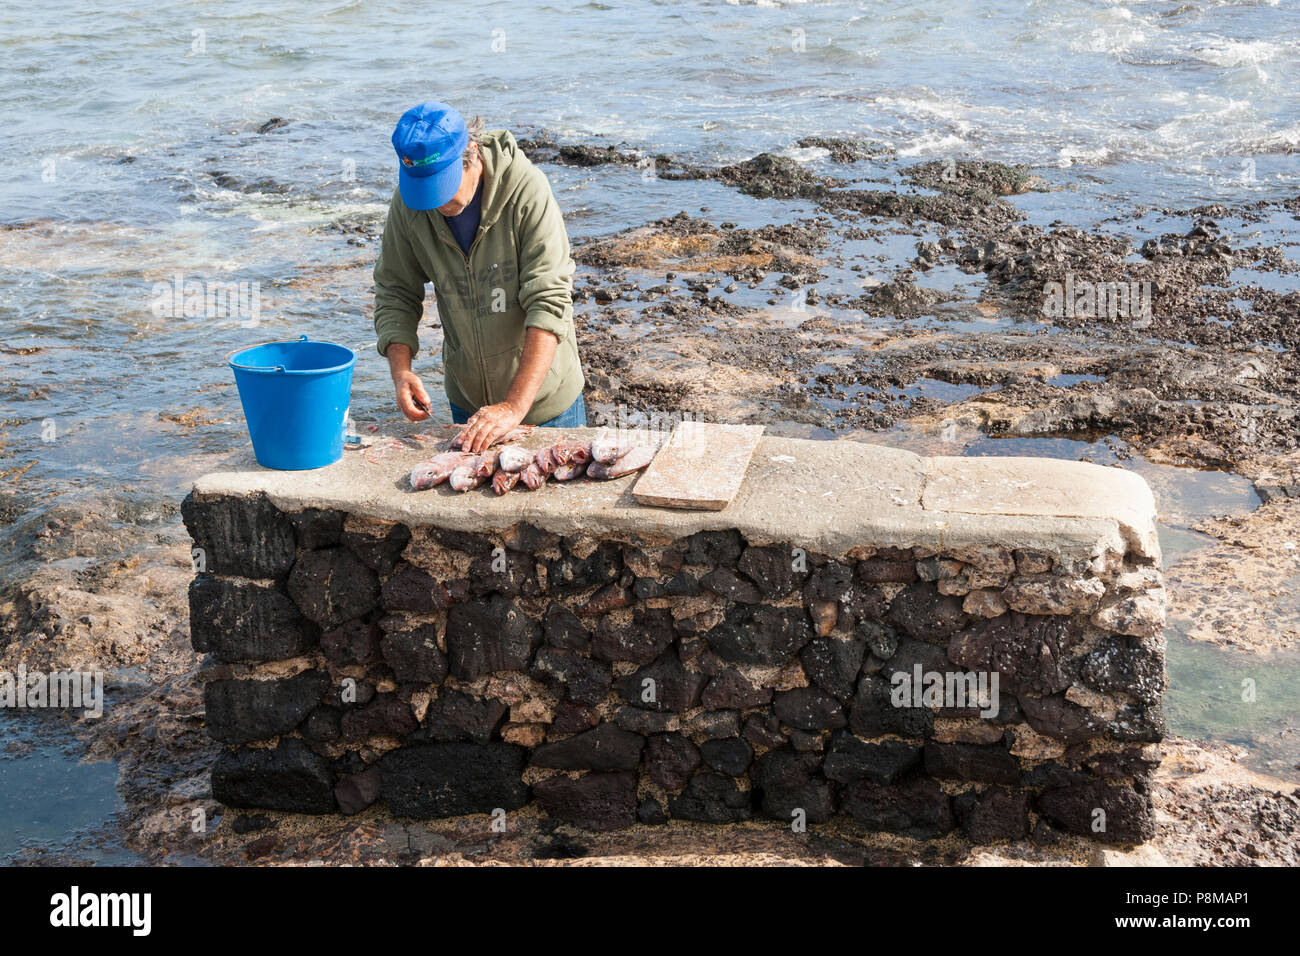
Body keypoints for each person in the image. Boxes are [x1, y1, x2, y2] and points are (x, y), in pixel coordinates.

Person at [372, 102, 585, 453]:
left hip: (547, 406)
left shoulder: (528, 191)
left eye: (443, 186)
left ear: (471, 152)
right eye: (425, 192)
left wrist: (514, 408)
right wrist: (401, 369)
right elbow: (395, 289)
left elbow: (549, 301)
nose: (437, 205)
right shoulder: (411, 204)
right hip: (468, 404)